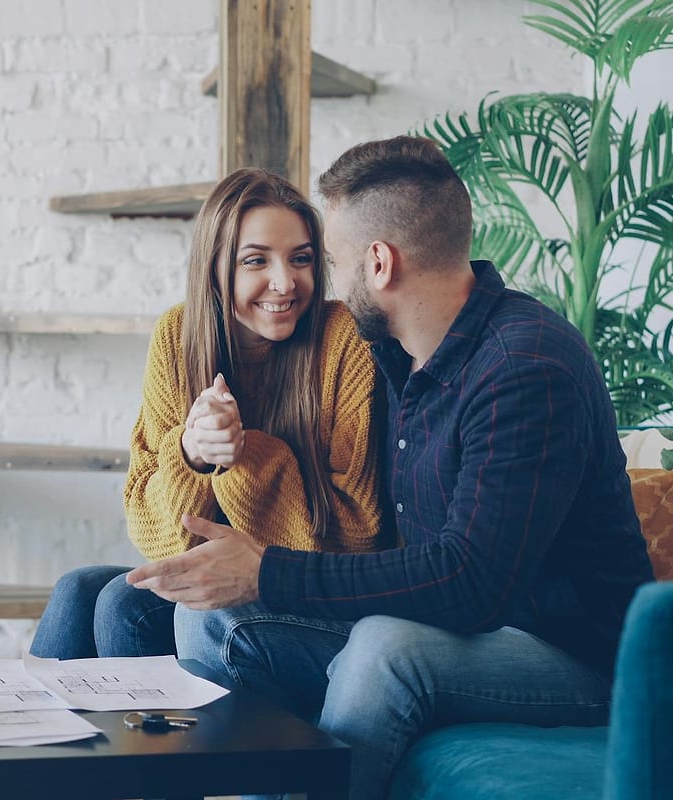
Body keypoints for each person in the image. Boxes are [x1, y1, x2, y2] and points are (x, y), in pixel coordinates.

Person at [127, 136, 655, 800]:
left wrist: (266, 568)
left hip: (581, 658)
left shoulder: (525, 367)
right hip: (469, 627)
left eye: (331, 262)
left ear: (379, 263)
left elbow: (471, 581)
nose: (324, 287)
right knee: (205, 617)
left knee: (384, 651)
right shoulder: (403, 358)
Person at [30, 169, 386, 660]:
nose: (285, 282)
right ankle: (40, 731)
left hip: (309, 589)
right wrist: (192, 454)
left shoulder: (342, 338)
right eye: (256, 260)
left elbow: (358, 534)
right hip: (217, 575)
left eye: (301, 259)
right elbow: (151, 529)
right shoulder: (178, 336)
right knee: (79, 590)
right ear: (216, 268)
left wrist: (244, 456)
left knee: (120, 604)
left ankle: (156, 736)